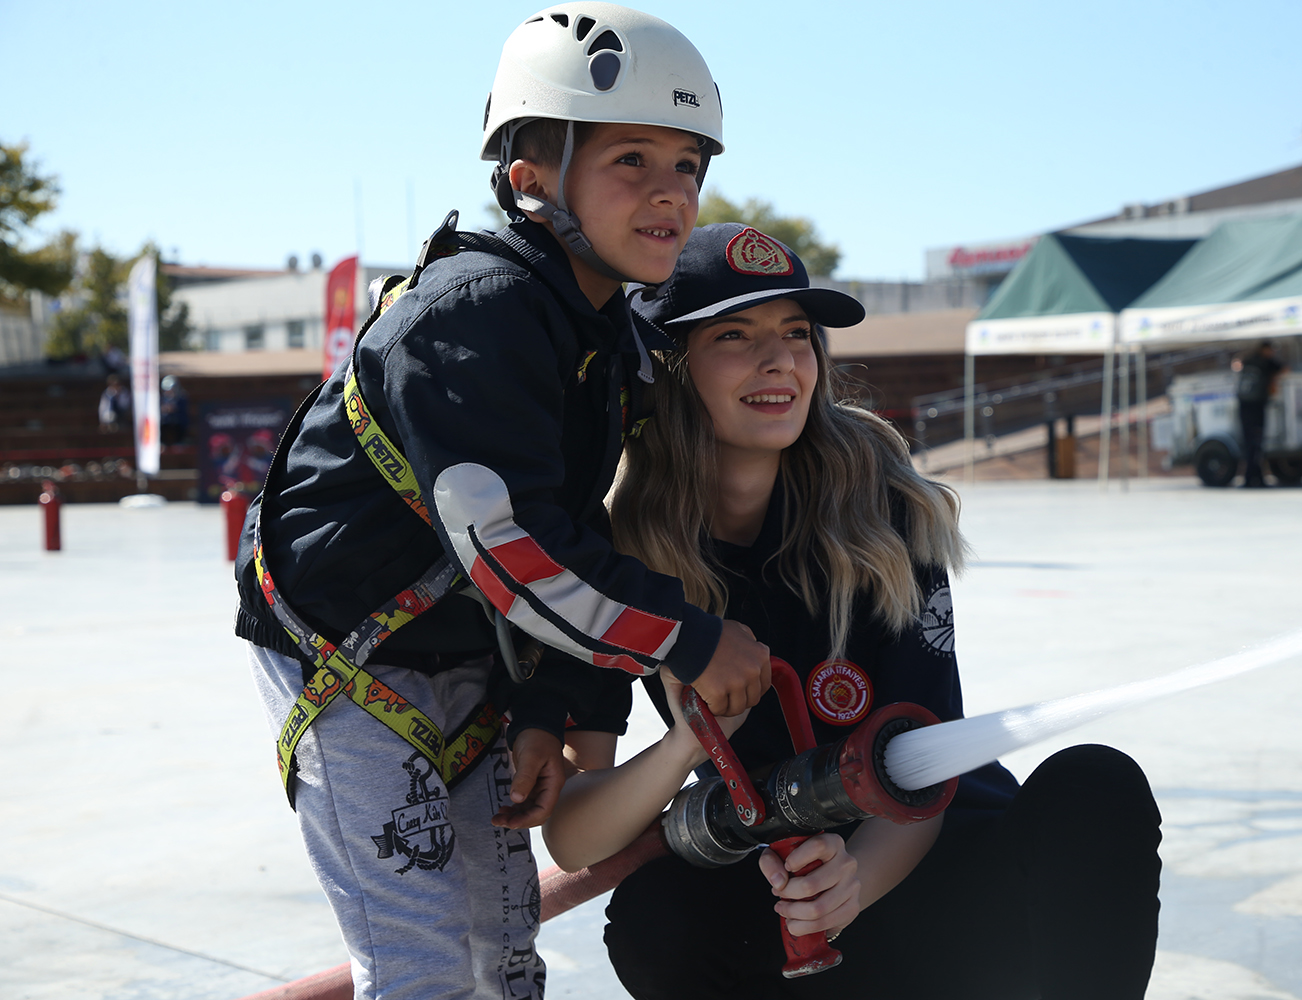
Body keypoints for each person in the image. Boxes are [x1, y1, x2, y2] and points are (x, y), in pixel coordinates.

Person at [233, 8, 773, 998]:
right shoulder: (474, 317)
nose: (671, 193)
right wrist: (692, 640)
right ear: (529, 174)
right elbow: (516, 551)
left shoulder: (605, 333)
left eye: (690, 164)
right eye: (632, 159)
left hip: (468, 649)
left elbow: (578, 524)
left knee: (507, 950)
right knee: (423, 962)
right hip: (344, 656)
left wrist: (542, 705)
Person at [541, 225, 1164, 1000]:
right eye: (735, 334)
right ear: (666, 365)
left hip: (930, 870)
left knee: (1096, 783)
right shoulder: (613, 552)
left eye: (797, 334)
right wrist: (684, 745)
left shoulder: (881, 504)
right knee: (656, 916)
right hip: (785, 884)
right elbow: (573, 835)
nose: (780, 361)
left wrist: (850, 888)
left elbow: (924, 765)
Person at [1231, 340, 1284, 487]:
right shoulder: (1267, 362)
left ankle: (1253, 476)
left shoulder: (1248, 360)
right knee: (1257, 443)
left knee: (1249, 443)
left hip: (1243, 407)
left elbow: (1237, 364)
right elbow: (1285, 369)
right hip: (1257, 407)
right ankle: (1253, 477)